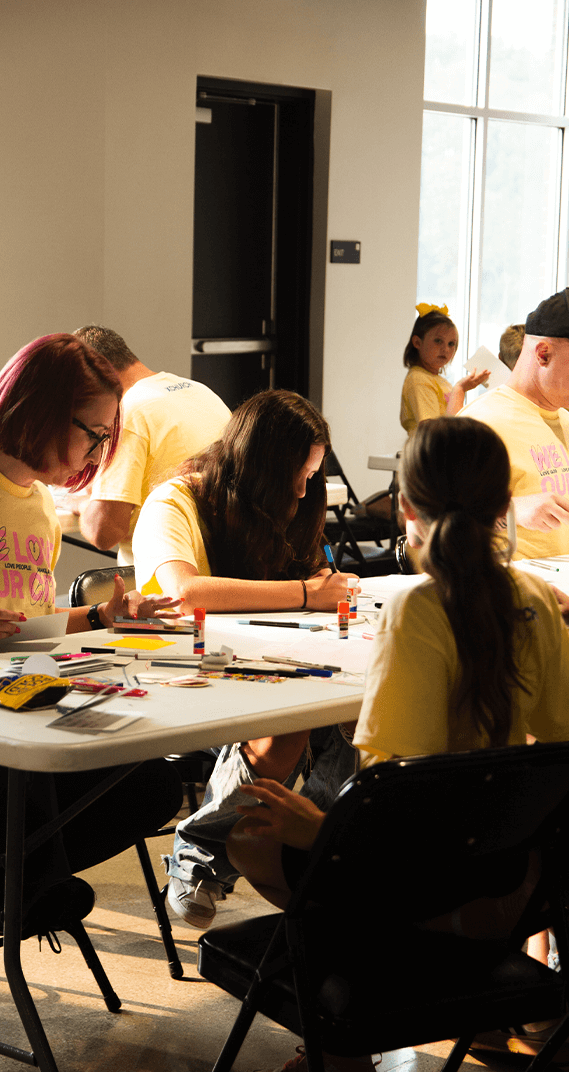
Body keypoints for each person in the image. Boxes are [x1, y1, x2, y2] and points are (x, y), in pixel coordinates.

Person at [228, 416, 569, 1072]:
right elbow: (554, 748)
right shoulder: (535, 600)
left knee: (251, 828)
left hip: (427, 890)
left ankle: (343, 1045)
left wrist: (319, 827)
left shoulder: (416, 613)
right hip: (514, 884)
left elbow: (394, 810)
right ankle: (402, 1023)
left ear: (406, 507)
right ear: (504, 506)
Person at [132, 389, 359, 929]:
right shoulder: (175, 501)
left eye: (313, 476)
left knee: (359, 709)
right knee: (291, 726)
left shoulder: (287, 506)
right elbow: (185, 593)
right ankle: (202, 851)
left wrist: (324, 589)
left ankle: (319, 845)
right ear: (260, 468)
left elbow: (304, 589)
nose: (304, 490)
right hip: (174, 675)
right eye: (296, 476)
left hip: (261, 666)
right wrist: (308, 594)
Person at [0, 332, 183, 934]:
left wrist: (102, 619)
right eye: (92, 431)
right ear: (38, 408)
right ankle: (11, 881)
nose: (99, 452)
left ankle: (9, 881)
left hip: (18, 698)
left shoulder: (39, 503)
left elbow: (25, 629)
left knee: (151, 783)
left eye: (106, 436)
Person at [73, 325, 231, 565]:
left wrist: (84, 503)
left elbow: (103, 533)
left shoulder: (128, 412)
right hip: (220, 568)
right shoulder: (202, 391)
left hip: (160, 582)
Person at [462, 287, 569, 560]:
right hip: (512, 593)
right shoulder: (481, 424)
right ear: (543, 354)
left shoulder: (565, 418)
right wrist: (512, 510)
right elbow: (432, 524)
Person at [400, 303, 489, 437]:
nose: (446, 349)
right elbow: (432, 431)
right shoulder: (418, 379)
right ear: (417, 343)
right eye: (438, 341)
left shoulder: (440, 381)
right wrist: (460, 388)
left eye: (451, 344)